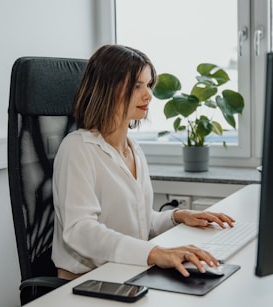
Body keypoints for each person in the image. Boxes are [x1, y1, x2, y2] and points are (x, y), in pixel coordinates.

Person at [52, 44, 235, 281]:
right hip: (86, 283)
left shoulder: (134, 149)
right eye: (136, 85)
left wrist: (178, 216)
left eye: (148, 84)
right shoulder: (77, 148)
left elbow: (136, 221)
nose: (148, 94)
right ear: (106, 88)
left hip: (128, 274)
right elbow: (80, 231)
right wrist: (154, 252)